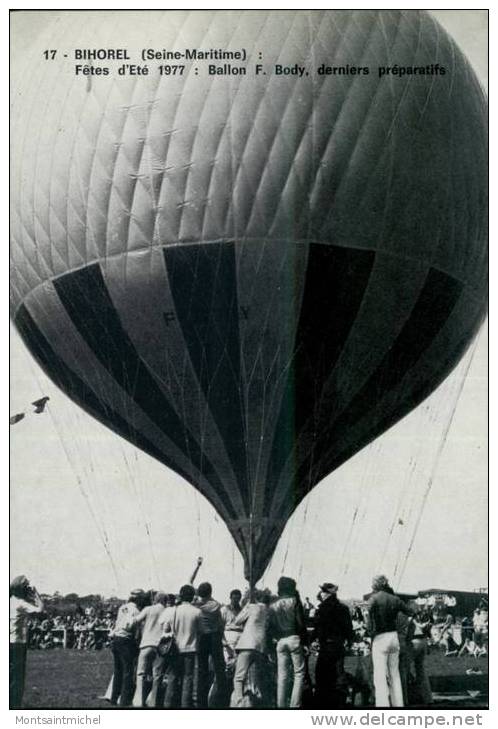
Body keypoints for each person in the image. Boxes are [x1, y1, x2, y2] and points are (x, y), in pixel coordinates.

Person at [366, 575, 412, 707]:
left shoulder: (373, 598)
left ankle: (383, 705)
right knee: (394, 673)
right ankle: (399, 704)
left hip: (380, 637)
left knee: (379, 674)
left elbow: (368, 617)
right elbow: (410, 611)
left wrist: (370, 631)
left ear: (375, 585)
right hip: (394, 636)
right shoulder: (395, 599)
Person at [312, 583, 353, 708]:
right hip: (338, 644)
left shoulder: (322, 609)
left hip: (326, 645)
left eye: (323, 591)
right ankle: (341, 699)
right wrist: (349, 640)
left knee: (322, 673)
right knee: (339, 671)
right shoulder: (343, 608)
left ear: (328, 593)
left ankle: (323, 700)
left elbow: (318, 627)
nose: (321, 594)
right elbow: (348, 628)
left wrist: (313, 639)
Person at [162, 584, 201, 708]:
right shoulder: (197, 612)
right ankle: (185, 705)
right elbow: (201, 631)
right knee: (187, 678)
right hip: (190, 648)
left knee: (173, 677)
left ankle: (167, 704)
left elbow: (166, 628)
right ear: (192, 596)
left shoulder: (173, 610)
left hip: (175, 648)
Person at [270, 576, 307, 708]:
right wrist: (305, 640)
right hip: (294, 637)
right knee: (299, 673)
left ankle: (281, 705)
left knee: (282, 675)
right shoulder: (294, 601)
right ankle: (294, 705)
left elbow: (271, 626)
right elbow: (301, 623)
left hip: (281, 640)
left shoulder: (273, 604)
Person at [231, 590, 271, 708]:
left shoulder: (252, 607)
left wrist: (247, 606)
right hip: (261, 647)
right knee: (258, 676)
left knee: (239, 677)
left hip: (246, 644)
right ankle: (260, 700)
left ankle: (239, 702)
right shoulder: (269, 611)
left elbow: (237, 621)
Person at [10, 575, 45, 708]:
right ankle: (14, 706)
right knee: (17, 677)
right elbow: (40, 609)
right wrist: (36, 594)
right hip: (18, 643)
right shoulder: (21, 604)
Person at [131, 591, 169, 707]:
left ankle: (138, 702)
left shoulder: (148, 609)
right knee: (157, 675)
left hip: (146, 644)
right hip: (160, 646)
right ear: (165, 601)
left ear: (156, 599)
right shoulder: (168, 611)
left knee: (141, 674)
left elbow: (135, 621)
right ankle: (153, 702)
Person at [109, 588, 144, 707]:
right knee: (128, 671)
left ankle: (114, 697)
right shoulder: (136, 611)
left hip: (116, 639)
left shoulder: (122, 608)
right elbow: (131, 627)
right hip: (126, 640)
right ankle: (124, 700)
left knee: (118, 670)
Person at [196, 581, 227, 707]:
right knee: (219, 669)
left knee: (202, 670)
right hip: (214, 636)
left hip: (202, 638)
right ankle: (221, 699)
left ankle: (201, 701)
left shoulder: (197, 606)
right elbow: (221, 624)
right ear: (210, 592)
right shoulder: (216, 605)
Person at [221, 589, 243, 695]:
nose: (236, 600)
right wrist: (224, 641)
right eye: (234, 598)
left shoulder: (242, 610)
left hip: (240, 638)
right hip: (228, 637)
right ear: (230, 598)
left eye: (238, 598)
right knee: (228, 665)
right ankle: (226, 689)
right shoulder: (224, 610)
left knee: (238, 664)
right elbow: (220, 626)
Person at [410, 607, 433, 705]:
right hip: (423, 641)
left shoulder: (413, 619)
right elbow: (428, 632)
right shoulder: (427, 620)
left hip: (414, 641)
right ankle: (427, 697)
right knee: (421, 670)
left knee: (405, 669)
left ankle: (407, 697)